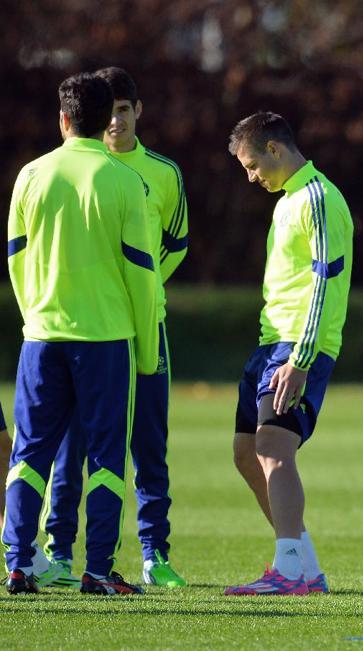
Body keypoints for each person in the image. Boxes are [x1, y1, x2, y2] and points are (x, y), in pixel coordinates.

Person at [5, 72, 157, 595]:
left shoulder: (31, 175)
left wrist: (36, 316)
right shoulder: (123, 181)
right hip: (107, 340)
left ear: (64, 119)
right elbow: (143, 272)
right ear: (102, 120)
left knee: (29, 453)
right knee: (107, 456)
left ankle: (18, 564)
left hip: (42, 336)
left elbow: (17, 260)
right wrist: (147, 350)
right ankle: (97, 569)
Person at [41, 66, 189, 589]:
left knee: (149, 441)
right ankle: (59, 551)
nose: (116, 122)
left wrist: (138, 296)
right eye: (110, 112)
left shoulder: (163, 173)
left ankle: (155, 553)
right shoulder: (81, 168)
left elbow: (175, 244)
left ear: (136, 112)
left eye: (125, 110)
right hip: (90, 331)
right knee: (72, 444)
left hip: (144, 324)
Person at [226, 111, 353, 596]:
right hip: (270, 342)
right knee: (245, 452)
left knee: (275, 450)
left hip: (298, 345)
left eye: (252, 165)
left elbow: (326, 280)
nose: (251, 176)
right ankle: (305, 566)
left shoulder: (318, 198)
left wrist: (301, 356)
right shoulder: (288, 201)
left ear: (275, 149)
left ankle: (288, 569)